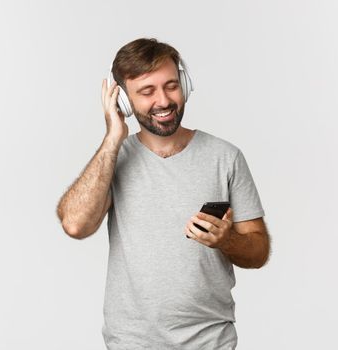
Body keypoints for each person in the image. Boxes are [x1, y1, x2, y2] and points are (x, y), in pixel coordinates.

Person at [56, 38, 271, 349]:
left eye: (171, 86)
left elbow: (258, 251)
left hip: (210, 341)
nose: (164, 100)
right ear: (125, 101)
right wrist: (113, 137)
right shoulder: (113, 160)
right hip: (132, 343)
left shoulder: (226, 157)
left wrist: (227, 240)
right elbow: (75, 225)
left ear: (184, 83)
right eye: (147, 91)